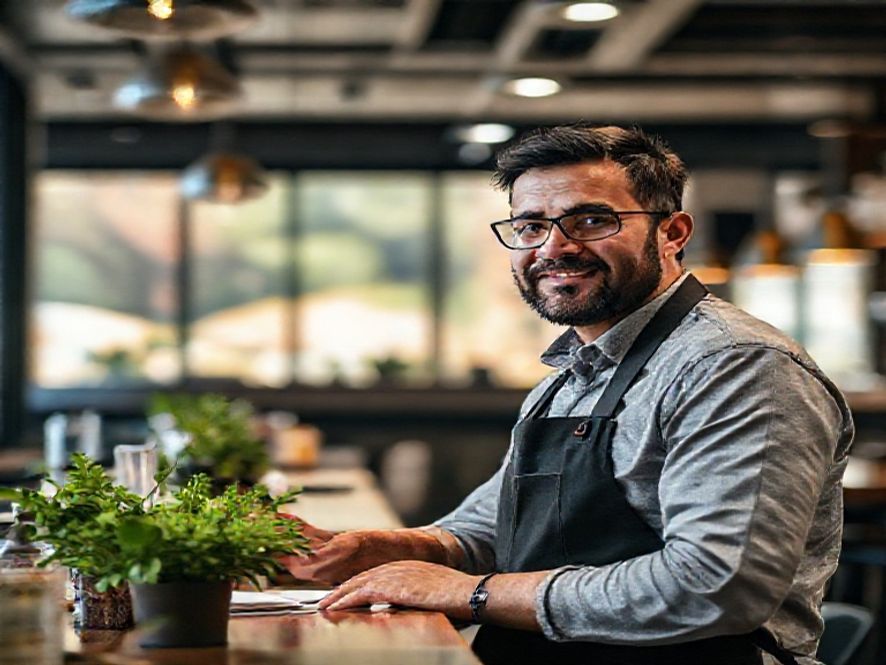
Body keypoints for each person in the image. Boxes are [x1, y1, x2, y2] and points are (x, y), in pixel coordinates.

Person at [283, 124, 853, 665]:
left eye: (591, 220)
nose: (554, 247)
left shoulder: (736, 366)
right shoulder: (571, 372)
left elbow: (715, 588)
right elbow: (488, 531)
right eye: (531, 227)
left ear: (673, 233)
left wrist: (468, 593)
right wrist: (372, 550)